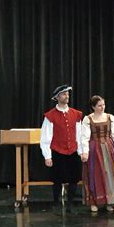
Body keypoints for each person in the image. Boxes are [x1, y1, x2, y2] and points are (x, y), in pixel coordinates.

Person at [80, 95, 114, 213]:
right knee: (96, 174)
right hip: (95, 149)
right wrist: (85, 152)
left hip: (109, 149)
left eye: (103, 105)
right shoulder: (88, 119)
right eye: (99, 105)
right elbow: (84, 137)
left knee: (110, 174)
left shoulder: (110, 117)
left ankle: (110, 201)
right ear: (93, 107)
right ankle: (94, 202)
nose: (102, 107)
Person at [40, 84, 83, 212]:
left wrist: (81, 150)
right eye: (64, 94)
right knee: (57, 178)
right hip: (58, 151)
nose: (67, 96)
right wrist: (47, 156)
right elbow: (45, 137)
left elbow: (79, 134)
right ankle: (56, 202)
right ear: (57, 97)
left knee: (74, 178)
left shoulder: (76, 114)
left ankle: (70, 203)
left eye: (67, 94)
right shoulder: (50, 116)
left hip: (73, 151)